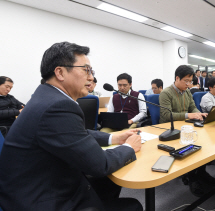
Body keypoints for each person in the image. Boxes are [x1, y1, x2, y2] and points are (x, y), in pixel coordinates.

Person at [0, 42, 143, 211]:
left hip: (41, 183)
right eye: (86, 70)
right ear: (60, 72)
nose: (91, 78)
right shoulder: (57, 105)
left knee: (109, 182)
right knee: (133, 206)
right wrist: (129, 147)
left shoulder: (46, 97)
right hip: (39, 199)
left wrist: (113, 137)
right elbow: (100, 164)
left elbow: (77, 133)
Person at [159, 65, 213, 197]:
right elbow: (167, 115)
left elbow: (192, 107)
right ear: (177, 78)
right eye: (186, 81)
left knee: (203, 141)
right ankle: (192, 177)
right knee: (188, 146)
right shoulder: (166, 93)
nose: (189, 84)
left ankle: (200, 171)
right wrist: (189, 115)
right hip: (169, 129)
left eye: (191, 81)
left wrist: (199, 114)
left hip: (186, 126)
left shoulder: (187, 91)